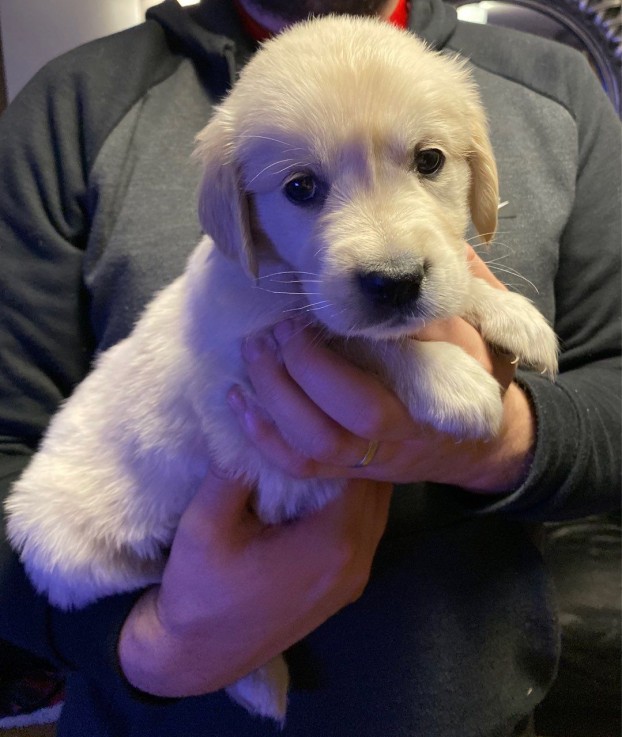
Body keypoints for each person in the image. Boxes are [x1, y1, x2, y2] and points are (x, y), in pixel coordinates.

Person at [0, 0, 619, 735]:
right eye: (303, 187)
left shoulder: (554, 89)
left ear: (479, 169)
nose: (388, 250)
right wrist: (165, 642)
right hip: (115, 578)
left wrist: (511, 434)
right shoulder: (78, 109)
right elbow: (256, 362)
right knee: (64, 544)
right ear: (240, 216)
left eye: (427, 162)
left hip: (471, 708)